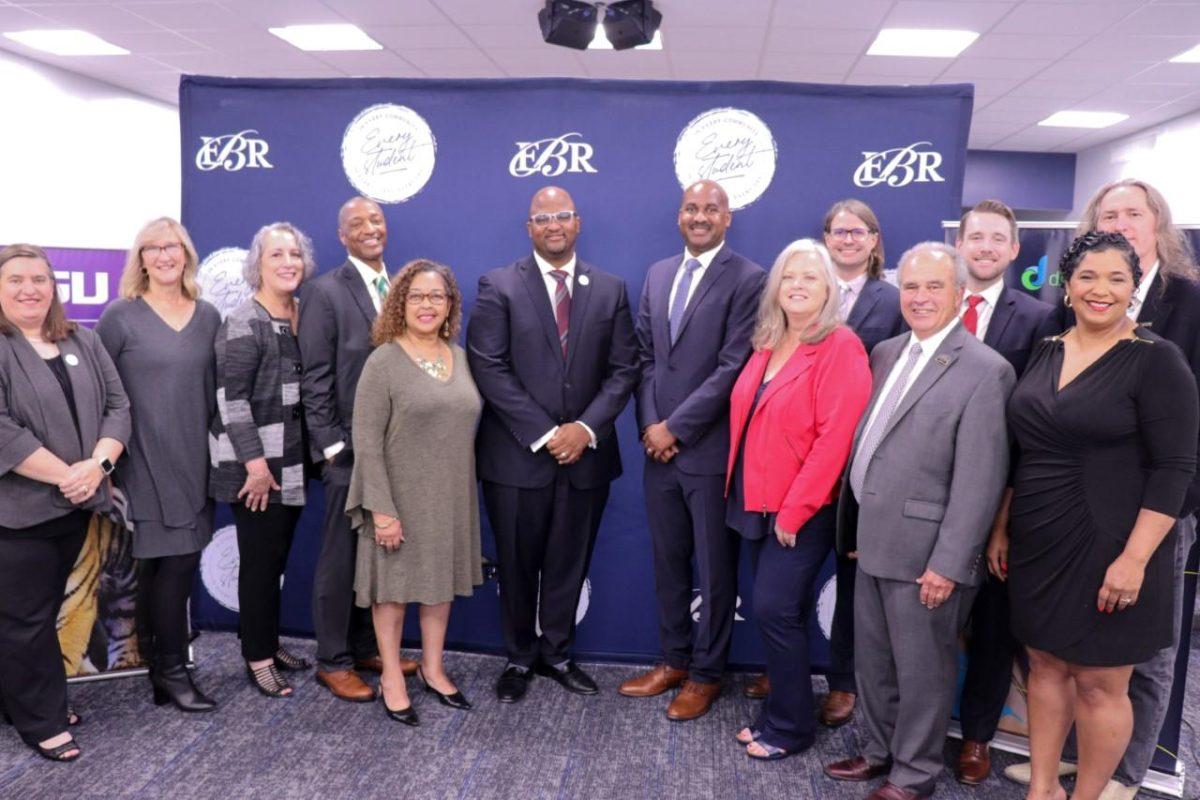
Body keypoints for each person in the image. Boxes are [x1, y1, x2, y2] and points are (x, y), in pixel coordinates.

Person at [1002, 180, 1200, 800]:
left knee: (1101, 683)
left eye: (1117, 279)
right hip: (1040, 537)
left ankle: (1091, 794)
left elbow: (1174, 467)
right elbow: (1024, 447)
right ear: (1067, 284)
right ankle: (1042, 788)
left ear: (1134, 282)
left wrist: (1136, 558)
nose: (1101, 290)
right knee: (1044, 668)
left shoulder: (1157, 357)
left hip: (1115, 537)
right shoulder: (1045, 348)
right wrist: (1002, 524)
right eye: (1088, 277)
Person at [823, 242, 1014, 800]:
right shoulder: (884, 352)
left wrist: (949, 564)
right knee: (874, 666)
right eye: (911, 286)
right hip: (871, 542)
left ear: (959, 294)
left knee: (924, 675)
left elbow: (980, 481)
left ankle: (914, 775)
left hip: (929, 557)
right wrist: (856, 525)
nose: (921, 297)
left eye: (934, 287)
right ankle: (879, 753)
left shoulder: (986, 370)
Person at [467, 186, 638, 703]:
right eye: (543, 217)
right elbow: (488, 366)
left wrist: (583, 430)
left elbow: (624, 368)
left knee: (570, 562)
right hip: (517, 457)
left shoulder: (610, 289)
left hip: (586, 457)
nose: (554, 224)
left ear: (578, 223)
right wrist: (546, 434)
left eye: (563, 215)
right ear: (529, 228)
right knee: (517, 564)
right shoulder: (498, 286)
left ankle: (558, 653)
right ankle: (519, 657)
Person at [618, 179, 765, 721]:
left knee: (714, 569)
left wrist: (676, 427)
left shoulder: (749, 279)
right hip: (658, 450)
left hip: (707, 450)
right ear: (679, 216)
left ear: (728, 218)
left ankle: (707, 674)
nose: (699, 217)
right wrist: (651, 425)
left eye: (711, 209)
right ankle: (674, 659)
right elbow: (645, 357)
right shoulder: (659, 273)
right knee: (668, 562)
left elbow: (734, 367)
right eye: (690, 208)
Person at [725, 239, 870, 759]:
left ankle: (791, 728)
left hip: (801, 510)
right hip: (753, 502)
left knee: (775, 608)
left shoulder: (840, 345)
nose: (798, 285)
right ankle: (778, 713)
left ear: (830, 287)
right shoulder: (767, 340)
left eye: (810, 276)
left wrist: (796, 509)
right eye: (788, 277)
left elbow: (836, 440)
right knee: (774, 613)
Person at [0, 244, 130, 761]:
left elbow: (118, 406)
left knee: (39, 612)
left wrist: (95, 467)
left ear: (54, 287)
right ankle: (43, 720)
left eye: (39, 279)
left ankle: (24, 700)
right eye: (16, 280)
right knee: (26, 619)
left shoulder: (82, 339)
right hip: (18, 514)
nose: (29, 289)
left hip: (75, 508)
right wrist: (68, 477)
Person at [346, 259, 483, 726]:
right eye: (417, 296)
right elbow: (366, 443)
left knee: (438, 589)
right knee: (394, 593)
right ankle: (391, 676)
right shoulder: (382, 361)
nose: (427, 305)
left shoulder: (459, 357)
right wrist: (381, 511)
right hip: (398, 500)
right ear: (400, 303)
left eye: (437, 297)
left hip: (449, 500)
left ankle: (434, 667)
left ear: (450, 306)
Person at [951, 199, 1060, 783]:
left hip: (1002, 494)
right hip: (933, 491)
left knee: (994, 626)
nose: (987, 247)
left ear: (1015, 250)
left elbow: (1036, 421)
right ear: (960, 244)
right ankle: (908, 728)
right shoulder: (930, 306)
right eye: (977, 237)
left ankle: (975, 738)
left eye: (999, 239)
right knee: (929, 620)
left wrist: (1005, 514)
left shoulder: (1040, 319)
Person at [96, 217, 221, 714]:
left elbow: (218, 394)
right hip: (142, 460)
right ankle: (173, 672)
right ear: (141, 258)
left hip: (196, 460)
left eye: (173, 246)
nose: (165, 255)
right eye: (153, 248)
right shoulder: (119, 317)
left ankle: (157, 667)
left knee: (160, 571)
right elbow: (101, 396)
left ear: (186, 254)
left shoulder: (208, 315)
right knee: (174, 567)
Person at [803, 198, 906, 721]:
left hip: (862, 463)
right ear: (826, 237)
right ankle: (783, 669)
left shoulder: (894, 301)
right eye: (838, 230)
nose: (847, 239)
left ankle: (843, 681)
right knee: (789, 574)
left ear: (873, 240)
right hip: (801, 461)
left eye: (858, 231)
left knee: (851, 581)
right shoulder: (803, 294)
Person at [209, 222, 315, 698]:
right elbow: (232, 401)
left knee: (275, 562)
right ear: (258, 265)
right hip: (256, 469)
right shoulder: (243, 321)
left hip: (290, 465)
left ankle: (269, 644)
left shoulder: (301, 314)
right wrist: (255, 466)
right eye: (276, 255)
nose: (288, 262)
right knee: (258, 565)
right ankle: (257, 657)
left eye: (294, 254)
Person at [298, 196, 396, 705]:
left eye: (375, 219)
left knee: (374, 558)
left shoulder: (399, 288)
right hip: (347, 455)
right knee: (339, 559)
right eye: (356, 222)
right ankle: (332, 661)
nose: (369, 228)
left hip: (392, 450)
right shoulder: (324, 293)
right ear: (342, 236)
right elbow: (314, 379)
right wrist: (332, 446)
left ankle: (363, 647)